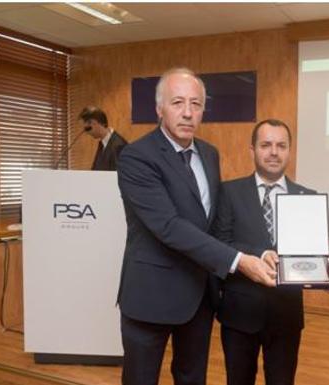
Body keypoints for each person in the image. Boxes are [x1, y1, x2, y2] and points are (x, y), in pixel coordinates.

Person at [116, 68, 276, 385]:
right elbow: (168, 226)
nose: (188, 112)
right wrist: (239, 262)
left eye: (196, 104)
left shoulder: (209, 153)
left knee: (192, 378)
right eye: (178, 102)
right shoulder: (136, 156)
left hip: (199, 296)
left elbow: (213, 225)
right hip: (151, 295)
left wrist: (259, 252)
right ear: (159, 108)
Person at [212, 119, 315, 385]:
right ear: (252, 150)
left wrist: (321, 253)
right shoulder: (229, 192)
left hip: (286, 316)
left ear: (289, 151)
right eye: (266, 144)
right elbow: (220, 242)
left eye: (281, 145)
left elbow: (309, 251)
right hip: (239, 314)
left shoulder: (306, 197)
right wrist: (259, 253)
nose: (274, 152)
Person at [79, 106, 128, 171]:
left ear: (94, 123)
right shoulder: (102, 144)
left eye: (87, 129)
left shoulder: (119, 145)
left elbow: (119, 174)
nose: (87, 133)